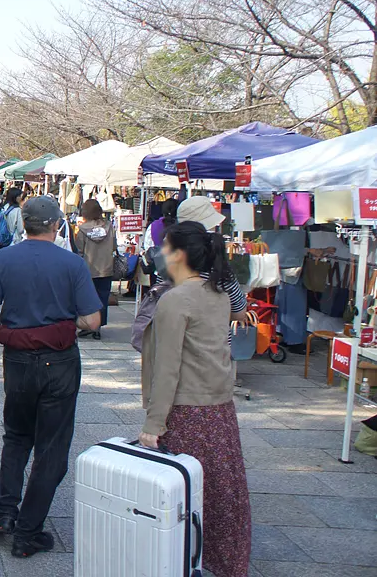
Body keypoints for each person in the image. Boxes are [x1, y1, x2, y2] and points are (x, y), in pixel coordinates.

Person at [0, 196, 102, 558]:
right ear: (57, 224)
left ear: (23, 224)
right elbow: (93, 321)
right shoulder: (72, 263)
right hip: (59, 363)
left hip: (18, 361)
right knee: (51, 448)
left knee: (16, 437)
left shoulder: (5, 260)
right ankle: (28, 532)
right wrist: (64, 323)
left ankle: (4, 513)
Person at [138, 221, 251, 577]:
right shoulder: (216, 292)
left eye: (166, 248)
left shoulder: (176, 299)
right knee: (222, 492)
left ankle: (187, 562)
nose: (161, 254)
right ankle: (224, 561)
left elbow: (167, 368)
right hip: (219, 409)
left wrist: (154, 423)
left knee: (187, 496)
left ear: (179, 254)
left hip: (187, 413)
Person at [73, 199, 116, 340]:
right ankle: (98, 328)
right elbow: (114, 247)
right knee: (102, 298)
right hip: (106, 269)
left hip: (88, 269)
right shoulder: (109, 227)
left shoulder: (83, 230)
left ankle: (89, 325)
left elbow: (79, 250)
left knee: (87, 299)